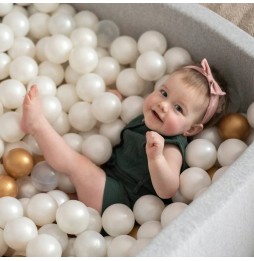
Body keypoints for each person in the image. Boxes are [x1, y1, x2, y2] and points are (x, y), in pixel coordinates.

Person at [21, 58, 227, 213]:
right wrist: (116, 98)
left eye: (178, 108)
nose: (163, 105)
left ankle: (37, 124)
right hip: (106, 180)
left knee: (77, 165)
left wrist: (156, 158)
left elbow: (168, 189)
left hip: (120, 201)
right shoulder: (147, 115)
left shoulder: (171, 148)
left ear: (190, 130)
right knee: (54, 205)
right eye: (164, 93)